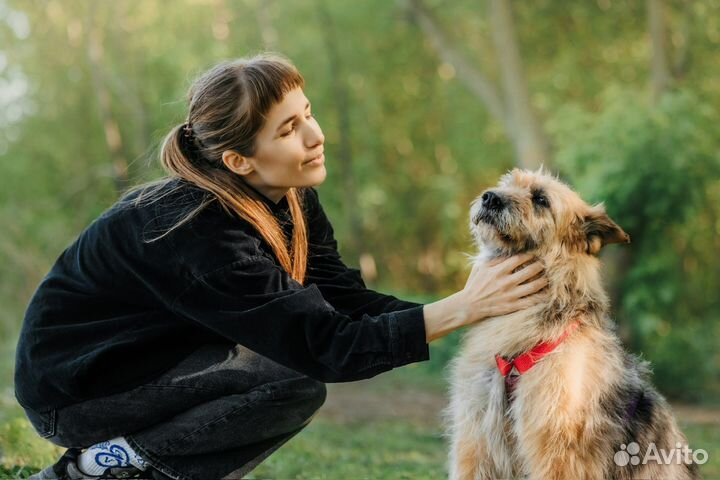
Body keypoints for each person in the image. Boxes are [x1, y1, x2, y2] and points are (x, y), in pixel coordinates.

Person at [16, 53, 547, 480]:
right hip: (77, 392)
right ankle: (94, 472)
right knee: (290, 382)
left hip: (151, 363)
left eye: (308, 112)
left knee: (284, 373)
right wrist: (460, 308)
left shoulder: (286, 196)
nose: (315, 136)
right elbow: (325, 346)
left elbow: (346, 301)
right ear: (238, 161)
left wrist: (470, 307)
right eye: (290, 128)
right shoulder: (197, 233)